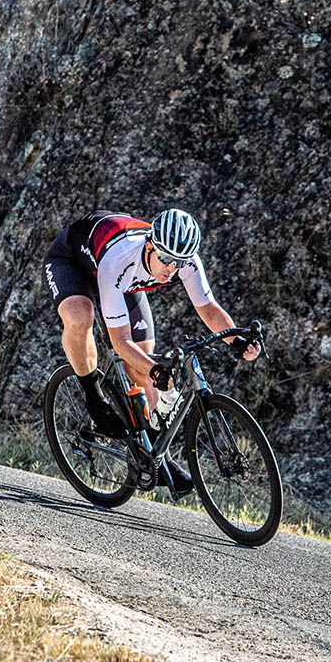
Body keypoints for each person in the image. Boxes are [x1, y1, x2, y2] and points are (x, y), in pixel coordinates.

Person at [42, 208, 260, 493]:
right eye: (166, 259)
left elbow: (208, 308)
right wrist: (154, 369)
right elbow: (120, 341)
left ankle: (156, 457)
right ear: (150, 246)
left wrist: (236, 340)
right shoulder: (121, 260)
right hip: (74, 261)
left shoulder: (185, 261)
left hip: (125, 282)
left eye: (178, 262)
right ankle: (94, 397)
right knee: (81, 317)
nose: (171, 269)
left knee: (143, 364)